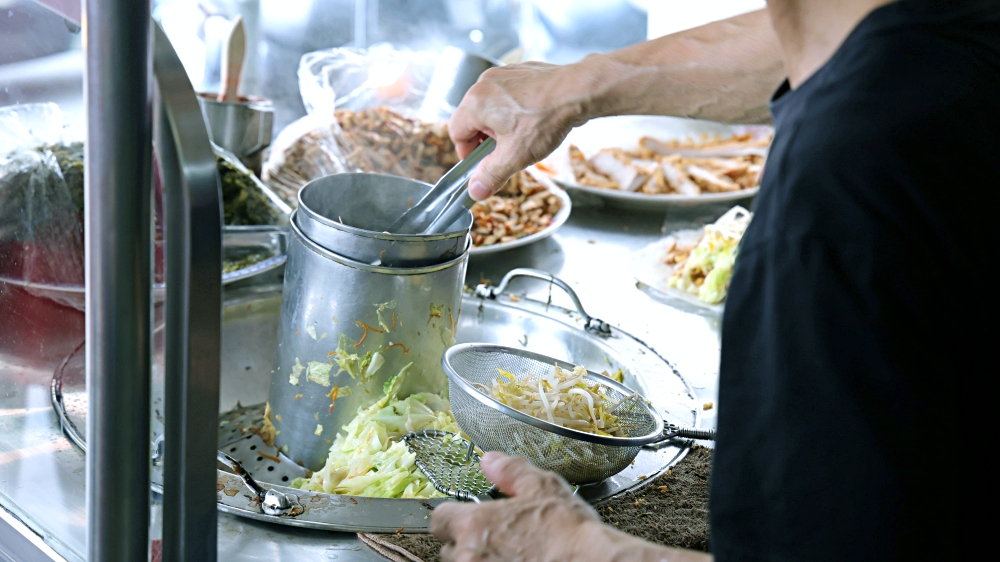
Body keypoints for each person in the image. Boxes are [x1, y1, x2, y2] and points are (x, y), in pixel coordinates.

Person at [431, 0, 995, 559]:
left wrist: (574, 549)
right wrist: (575, 87)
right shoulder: (947, 47)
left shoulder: (842, 193)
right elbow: (816, 36)